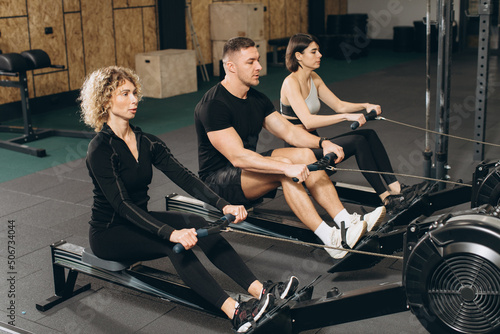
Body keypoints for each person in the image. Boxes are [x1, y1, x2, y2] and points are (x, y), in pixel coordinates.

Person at [79, 66, 299, 333]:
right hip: (109, 232)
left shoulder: (146, 141)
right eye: (125, 94)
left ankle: (262, 290)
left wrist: (223, 204)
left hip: (140, 220)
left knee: (195, 221)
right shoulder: (100, 149)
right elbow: (121, 205)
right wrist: (170, 233)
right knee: (173, 246)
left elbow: (185, 177)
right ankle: (236, 312)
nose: (135, 99)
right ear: (105, 101)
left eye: (135, 92)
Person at [194, 37, 386, 260]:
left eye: (258, 60)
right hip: (218, 182)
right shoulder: (213, 105)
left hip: (247, 170)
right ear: (231, 67)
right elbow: (237, 157)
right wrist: (284, 168)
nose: (259, 67)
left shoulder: (257, 99)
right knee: (285, 167)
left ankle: (345, 221)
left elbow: (289, 132)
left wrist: (323, 143)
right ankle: (330, 239)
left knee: (304, 155)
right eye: (250, 62)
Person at [280, 33, 431, 213]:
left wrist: (365, 105)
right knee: (358, 141)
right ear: (299, 56)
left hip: (315, 142)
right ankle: (387, 200)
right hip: (299, 150)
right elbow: (308, 121)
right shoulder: (290, 83)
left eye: (319, 51)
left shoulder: (314, 78)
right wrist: (346, 117)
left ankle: (397, 188)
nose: (320, 55)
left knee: (368, 134)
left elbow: (338, 105)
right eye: (313, 52)